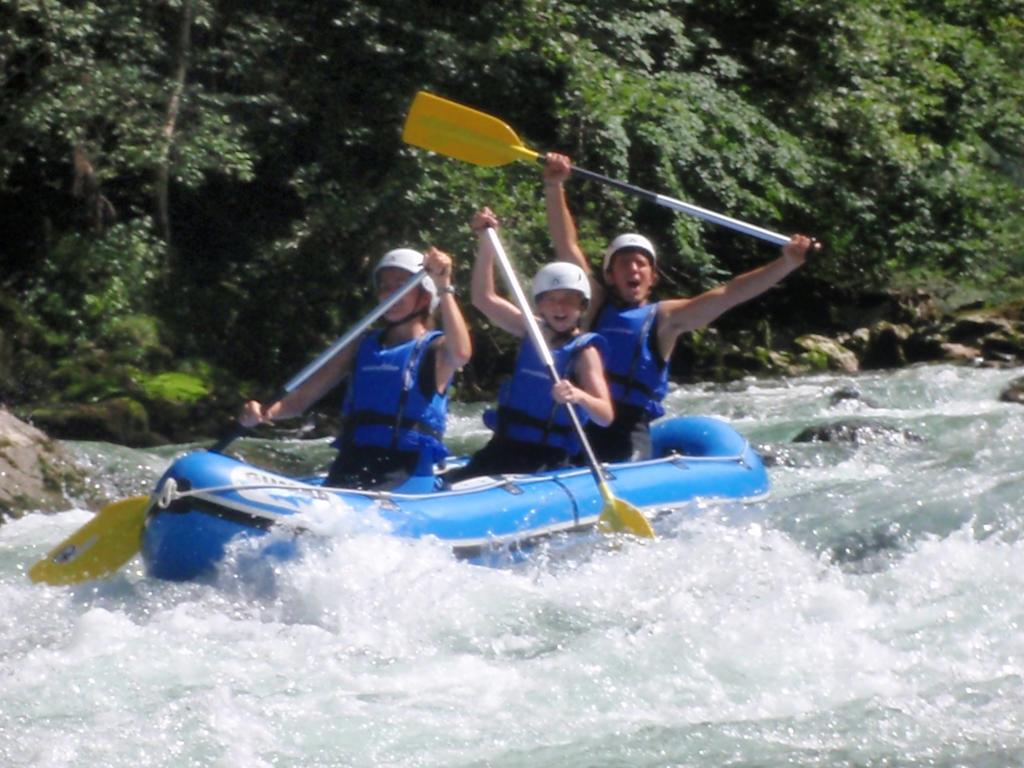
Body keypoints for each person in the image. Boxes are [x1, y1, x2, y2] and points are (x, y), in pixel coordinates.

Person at [543, 152, 816, 462]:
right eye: (624, 264)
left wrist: (787, 263)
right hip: (580, 420)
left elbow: (731, 292)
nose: (633, 270)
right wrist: (554, 186)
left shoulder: (666, 318)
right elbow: (567, 247)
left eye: (641, 264)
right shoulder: (594, 304)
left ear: (653, 276)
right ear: (610, 275)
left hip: (625, 432)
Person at [239, 246, 472, 489]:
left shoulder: (437, 348)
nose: (389, 293)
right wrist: (265, 412)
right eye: (384, 286)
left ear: (424, 297)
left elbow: (462, 353)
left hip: (404, 469)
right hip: (352, 462)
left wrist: (443, 285)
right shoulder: (361, 344)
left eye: (400, 285)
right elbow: (301, 400)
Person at [445, 208, 613, 481]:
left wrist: (579, 396)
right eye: (551, 299)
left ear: (582, 306)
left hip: (546, 458)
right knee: (451, 482)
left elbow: (605, 415)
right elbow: (482, 298)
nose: (559, 307)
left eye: (569, 300)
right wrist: (486, 242)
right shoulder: (530, 329)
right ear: (539, 303)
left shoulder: (585, 352)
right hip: (504, 446)